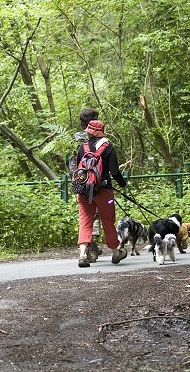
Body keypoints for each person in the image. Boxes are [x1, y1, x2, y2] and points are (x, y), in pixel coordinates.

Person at [76, 119, 127, 267]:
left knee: (85, 221)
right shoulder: (108, 147)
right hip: (104, 191)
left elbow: (79, 172)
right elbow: (115, 172)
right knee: (108, 221)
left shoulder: (82, 147)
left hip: (84, 192)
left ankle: (82, 255)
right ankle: (115, 252)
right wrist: (123, 185)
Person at [70, 108, 103, 263]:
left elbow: (71, 161)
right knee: (95, 216)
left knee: (85, 219)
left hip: (80, 181)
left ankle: (90, 248)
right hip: (97, 182)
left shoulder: (75, 138)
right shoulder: (96, 137)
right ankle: (92, 248)